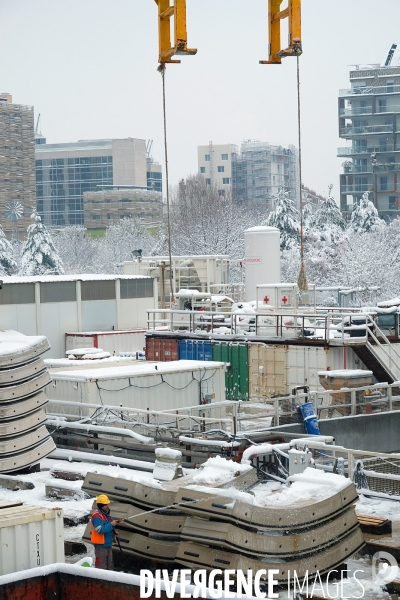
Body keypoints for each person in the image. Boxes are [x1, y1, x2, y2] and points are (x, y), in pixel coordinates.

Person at [90, 494, 120, 570]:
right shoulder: (97, 516)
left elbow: (107, 526)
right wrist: (111, 524)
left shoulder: (105, 514)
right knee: (101, 568)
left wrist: (114, 532)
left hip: (107, 544)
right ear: (101, 505)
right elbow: (100, 530)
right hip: (100, 546)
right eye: (106, 505)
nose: (107, 506)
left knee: (110, 566)